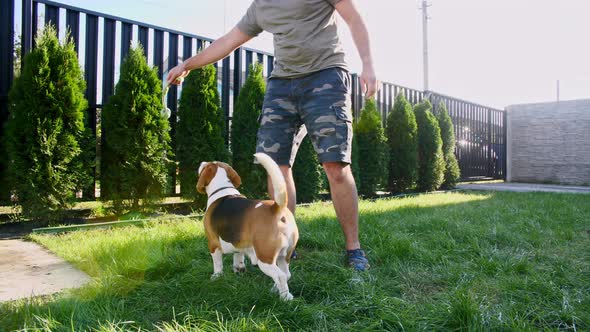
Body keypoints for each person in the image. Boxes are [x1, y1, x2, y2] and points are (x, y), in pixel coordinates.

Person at [167, 0, 377, 271]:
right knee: (275, 166)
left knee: (335, 166)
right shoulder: (260, 6)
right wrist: (188, 64)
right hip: (281, 85)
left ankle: (353, 249)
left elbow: (354, 18)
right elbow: (229, 41)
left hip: (326, 77)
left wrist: (368, 64)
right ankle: (287, 244)